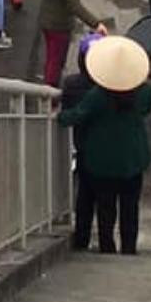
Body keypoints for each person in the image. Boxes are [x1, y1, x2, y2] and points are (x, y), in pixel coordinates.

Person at [58, 36, 151, 255]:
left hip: (101, 160)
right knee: (130, 208)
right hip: (133, 158)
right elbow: (146, 109)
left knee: (105, 208)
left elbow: (76, 116)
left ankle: (107, 247)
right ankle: (129, 248)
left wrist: (60, 115)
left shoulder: (99, 95)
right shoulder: (144, 92)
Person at [61, 36, 100, 250]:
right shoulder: (112, 85)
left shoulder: (72, 84)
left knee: (85, 196)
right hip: (107, 149)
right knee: (107, 199)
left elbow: (67, 111)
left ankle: (82, 240)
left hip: (84, 147)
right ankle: (109, 243)